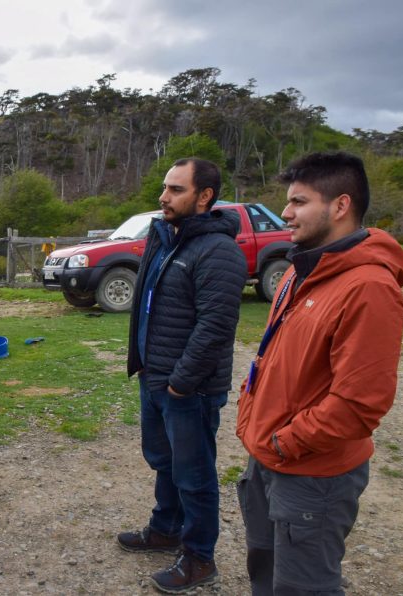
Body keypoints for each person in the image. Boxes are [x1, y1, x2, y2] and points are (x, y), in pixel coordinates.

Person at [236, 152, 403, 595]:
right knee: (266, 572)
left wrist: (284, 441)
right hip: (266, 456)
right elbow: (273, 358)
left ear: (340, 206)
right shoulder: (301, 268)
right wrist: (253, 422)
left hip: (313, 473)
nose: (286, 214)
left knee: (303, 586)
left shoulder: (369, 286)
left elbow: (360, 404)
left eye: (298, 202)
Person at [119, 157, 247, 593]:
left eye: (175, 189)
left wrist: (180, 381)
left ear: (204, 196)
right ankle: (166, 529)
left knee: (194, 475)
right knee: (164, 462)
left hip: (187, 388)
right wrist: (148, 368)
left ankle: (199, 558)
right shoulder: (167, 239)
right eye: (165, 187)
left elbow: (215, 327)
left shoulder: (219, 251)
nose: (163, 196)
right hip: (155, 378)